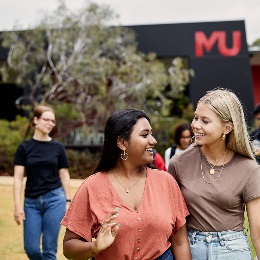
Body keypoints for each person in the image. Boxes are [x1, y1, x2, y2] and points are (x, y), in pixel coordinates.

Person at [61, 108, 192, 260]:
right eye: (145, 135)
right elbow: (68, 247)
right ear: (122, 142)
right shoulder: (92, 187)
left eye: (152, 133)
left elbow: (180, 242)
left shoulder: (166, 182)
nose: (153, 141)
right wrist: (94, 247)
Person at [168, 88, 260, 260]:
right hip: (191, 249)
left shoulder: (249, 168)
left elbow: (257, 230)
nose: (195, 125)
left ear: (227, 128)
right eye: (196, 117)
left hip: (233, 251)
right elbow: (172, 222)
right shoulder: (178, 163)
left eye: (205, 121)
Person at [13, 105, 71, 260]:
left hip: (55, 199)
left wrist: (67, 200)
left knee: (49, 250)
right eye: (46, 119)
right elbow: (18, 178)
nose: (50, 123)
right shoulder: (24, 147)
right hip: (31, 202)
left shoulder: (58, 147)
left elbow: (64, 175)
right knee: (31, 249)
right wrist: (17, 205)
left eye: (52, 121)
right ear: (36, 120)